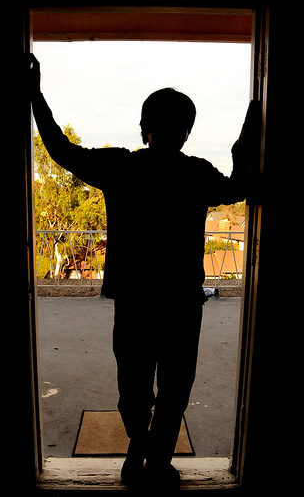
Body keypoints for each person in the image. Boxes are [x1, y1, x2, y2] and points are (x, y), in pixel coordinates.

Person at [28, 54, 259, 490]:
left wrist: (36, 95)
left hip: (134, 304)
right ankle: (158, 459)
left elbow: (60, 149)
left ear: (142, 127)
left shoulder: (122, 167)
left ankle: (140, 448)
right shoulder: (195, 172)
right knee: (175, 389)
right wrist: (246, 137)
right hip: (182, 305)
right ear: (186, 131)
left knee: (134, 390)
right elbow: (239, 187)